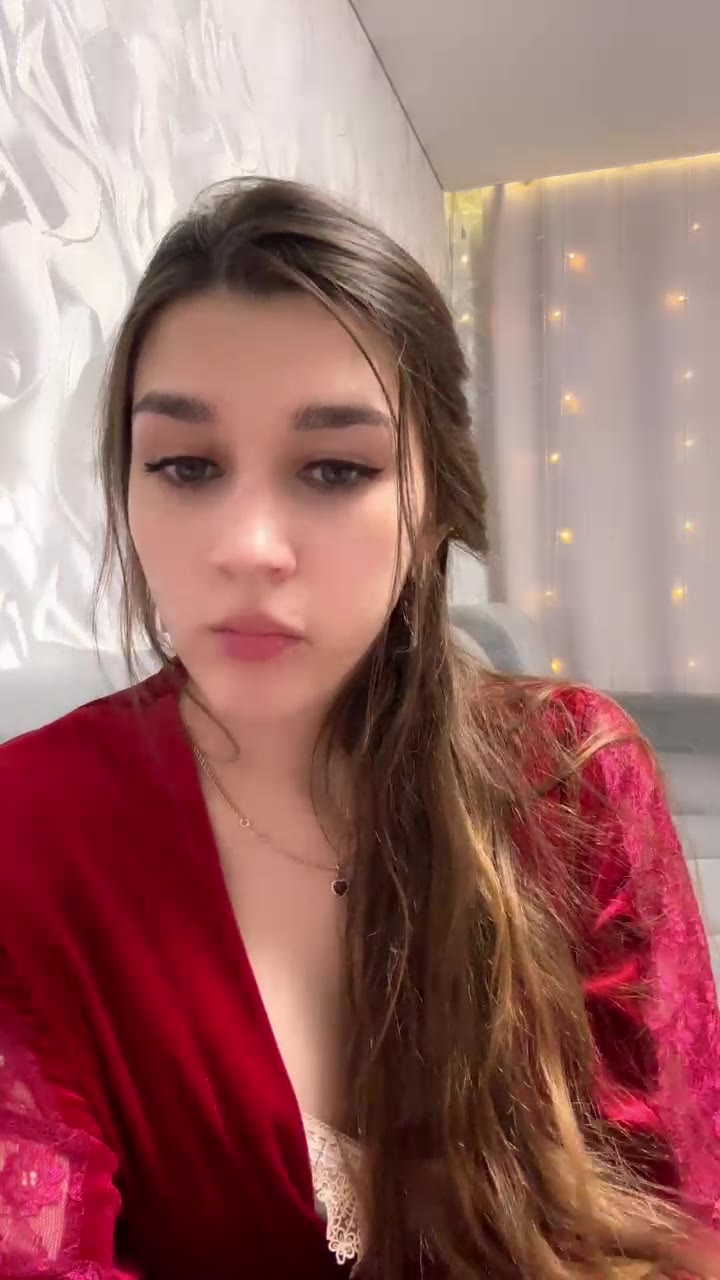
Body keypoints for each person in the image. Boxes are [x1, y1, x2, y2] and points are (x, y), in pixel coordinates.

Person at [0, 177, 718, 1280]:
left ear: (431, 507)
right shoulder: (27, 828)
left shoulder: (572, 778)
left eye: (335, 469)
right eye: (185, 465)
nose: (248, 546)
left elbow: (683, 1216)